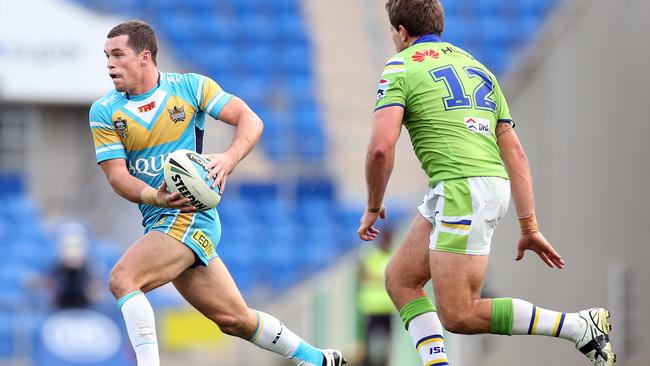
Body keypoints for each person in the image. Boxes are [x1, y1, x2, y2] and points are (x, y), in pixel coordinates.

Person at [357, 1, 615, 366]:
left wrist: (372, 206)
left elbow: (381, 148)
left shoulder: (400, 66)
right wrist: (529, 225)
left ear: (400, 31)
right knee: (400, 278)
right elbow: (517, 155)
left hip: (461, 188)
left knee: (460, 314)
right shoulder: (477, 69)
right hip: (475, 184)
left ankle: (577, 326)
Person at [89, 20, 345, 366]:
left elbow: (250, 119)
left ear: (145, 57)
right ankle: (317, 359)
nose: (109, 64)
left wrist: (228, 158)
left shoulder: (190, 88)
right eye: (107, 56)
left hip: (190, 217)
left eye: (118, 55)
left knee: (123, 278)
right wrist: (155, 196)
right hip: (160, 219)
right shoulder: (105, 111)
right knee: (235, 319)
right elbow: (117, 176)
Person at [356, 225, 395, 366]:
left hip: (387, 307)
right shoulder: (371, 256)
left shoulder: (391, 257)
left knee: (388, 341)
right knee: (368, 340)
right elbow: (363, 276)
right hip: (371, 306)